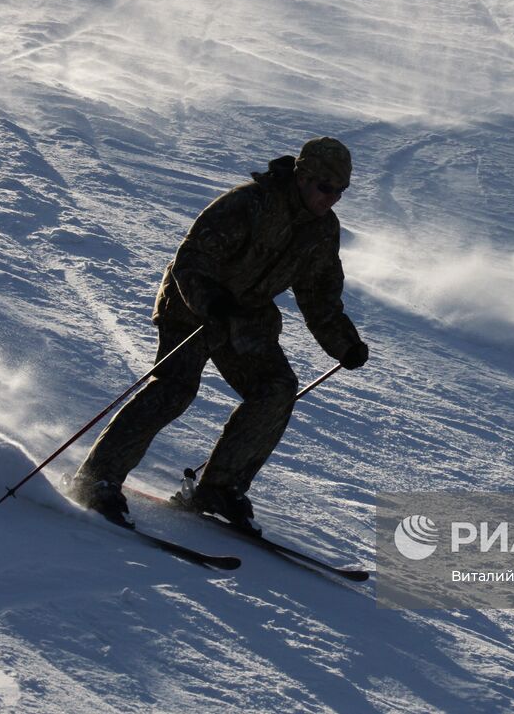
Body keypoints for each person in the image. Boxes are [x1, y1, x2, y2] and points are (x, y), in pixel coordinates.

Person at [67, 137, 369, 534]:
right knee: (174, 388)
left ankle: (219, 488)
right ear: (303, 175)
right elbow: (193, 257)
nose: (331, 198)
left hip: (246, 318)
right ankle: (97, 479)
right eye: (325, 187)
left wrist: (344, 344)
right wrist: (208, 301)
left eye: (340, 192)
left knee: (275, 389)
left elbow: (320, 297)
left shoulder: (322, 231)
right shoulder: (250, 203)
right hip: (193, 306)